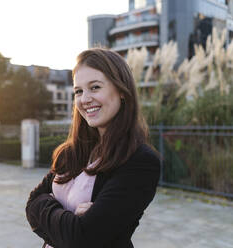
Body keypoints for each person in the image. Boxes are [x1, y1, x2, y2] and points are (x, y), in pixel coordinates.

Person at [25, 48, 161, 248]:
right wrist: (69, 218)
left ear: (122, 91)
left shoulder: (140, 161)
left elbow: (81, 238)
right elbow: (31, 204)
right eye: (78, 91)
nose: (84, 99)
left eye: (95, 87)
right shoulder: (71, 152)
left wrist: (47, 210)